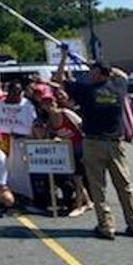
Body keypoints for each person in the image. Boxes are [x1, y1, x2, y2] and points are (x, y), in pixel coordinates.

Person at [57, 52, 133, 240]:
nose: (91, 74)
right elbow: (122, 75)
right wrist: (100, 66)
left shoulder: (87, 90)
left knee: (98, 187)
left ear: (99, 73)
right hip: (115, 144)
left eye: (93, 71)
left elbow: (58, 79)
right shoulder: (119, 87)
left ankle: (106, 226)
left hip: (94, 143)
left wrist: (64, 58)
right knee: (124, 185)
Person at [39, 86, 94, 217]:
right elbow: (48, 135)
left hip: (80, 147)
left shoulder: (66, 113)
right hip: (68, 150)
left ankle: (80, 206)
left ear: (55, 102)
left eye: (50, 102)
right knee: (76, 179)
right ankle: (89, 202)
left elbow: (82, 126)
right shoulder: (50, 121)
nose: (49, 105)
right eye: (45, 103)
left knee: (78, 178)